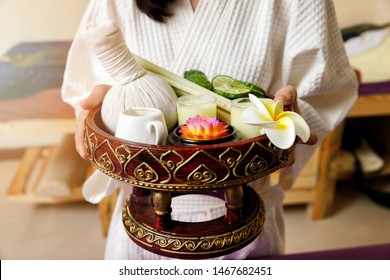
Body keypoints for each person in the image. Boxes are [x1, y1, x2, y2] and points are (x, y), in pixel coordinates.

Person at [62, 0, 358, 259]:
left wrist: (291, 116)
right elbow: (86, 82)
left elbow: (326, 90)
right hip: (144, 215)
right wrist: (101, 104)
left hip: (243, 217)